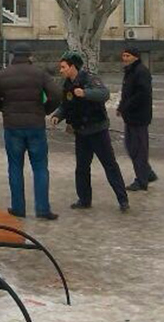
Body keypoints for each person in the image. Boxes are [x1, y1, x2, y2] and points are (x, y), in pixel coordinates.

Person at [0, 43, 62, 220]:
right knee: (41, 167)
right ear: (29, 56)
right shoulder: (39, 74)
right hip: (35, 126)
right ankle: (43, 209)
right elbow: (57, 94)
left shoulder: (2, 75)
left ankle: (18, 207)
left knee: (15, 167)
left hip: (12, 127)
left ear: (13, 56)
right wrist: (45, 110)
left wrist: (4, 108)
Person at [51, 52, 130, 212]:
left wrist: (86, 93)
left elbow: (104, 94)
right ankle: (84, 199)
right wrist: (57, 116)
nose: (61, 70)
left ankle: (123, 200)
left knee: (110, 165)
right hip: (80, 132)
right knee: (82, 168)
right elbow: (66, 105)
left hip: (97, 130)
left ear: (73, 67)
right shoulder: (67, 84)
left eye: (63, 67)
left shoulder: (89, 79)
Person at [117, 47, 157, 191]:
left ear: (135, 57)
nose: (125, 58)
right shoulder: (130, 71)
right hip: (131, 116)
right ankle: (147, 173)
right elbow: (127, 92)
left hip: (139, 117)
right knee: (131, 146)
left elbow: (142, 94)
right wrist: (121, 107)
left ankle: (141, 180)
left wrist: (126, 106)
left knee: (138, 149)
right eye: (123, 55)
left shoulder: (141, 71)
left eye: (127, 55)